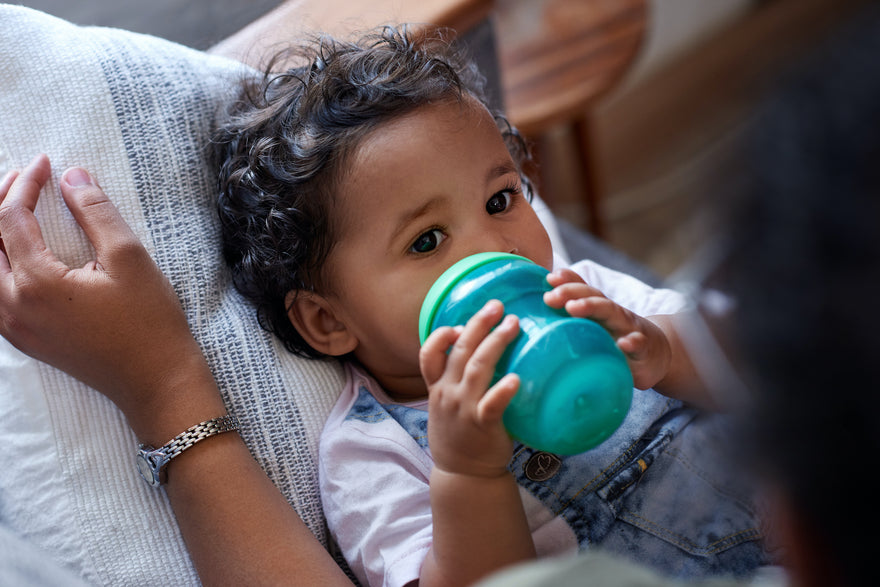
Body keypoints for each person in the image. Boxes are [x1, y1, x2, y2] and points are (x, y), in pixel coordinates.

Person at [0, 26, 767, 587]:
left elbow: (768, 363)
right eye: (428, 240)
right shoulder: (373, 452)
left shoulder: (590, 299)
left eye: (502, 198)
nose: (491, 250)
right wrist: (469, 470)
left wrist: (666, 346)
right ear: (329, 321)